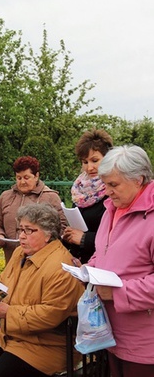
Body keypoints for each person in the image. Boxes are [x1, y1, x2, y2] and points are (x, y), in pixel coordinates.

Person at [0, 203, 84, 377]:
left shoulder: (61, 266)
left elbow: (50, 314)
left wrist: (8, 312)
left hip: (47, 345)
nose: (21, 236)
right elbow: (3, 284)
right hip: (12, 335)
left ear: (48, 234)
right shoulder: (19, 253)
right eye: (21, 229)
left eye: (29, 230)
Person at [86, 145, 154, 377]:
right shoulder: (111, 210)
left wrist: (117, 293)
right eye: (105, 184)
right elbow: (103, 252)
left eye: (114, 185)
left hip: (145, 344)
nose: (107, 192)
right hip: (111, 334)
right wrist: (89, 268)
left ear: (139, 180)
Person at [0, 156, 67, 263]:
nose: (22, 182)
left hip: (40, 262)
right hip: (11, 259)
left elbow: (62, 227)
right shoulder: (5, 197)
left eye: (26, 178)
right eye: (19, 178)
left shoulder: (50, 197)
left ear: (36, 176)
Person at [63, 128, 113, 263]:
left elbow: (118, 238)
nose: (89, 167)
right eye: (85, 162)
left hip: (102, 265)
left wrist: (85, 239)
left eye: (94, 160)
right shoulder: (79, 190)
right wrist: (69, 236)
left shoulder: (114, 192)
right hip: (77, 263)